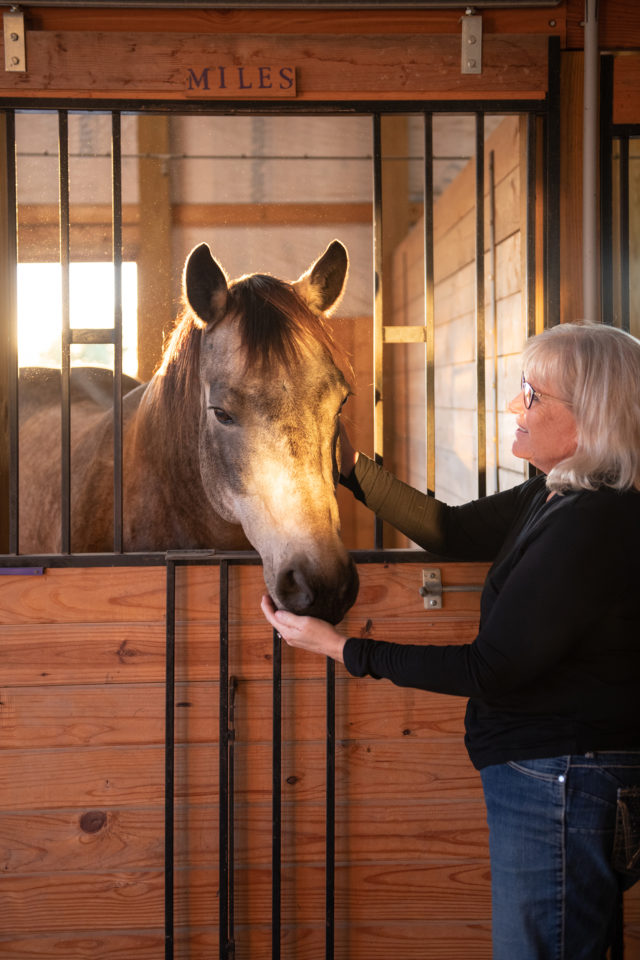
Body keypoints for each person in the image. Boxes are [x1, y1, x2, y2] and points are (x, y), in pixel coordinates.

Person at [261, 321, 640, 960]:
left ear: (589, 420)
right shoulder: (559, 493)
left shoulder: (593, 522)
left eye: (533, 395)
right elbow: (452, 530)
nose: (514, 406)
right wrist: (355, 473)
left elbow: (491, 669)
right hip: (561, 773)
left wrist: (342, 649)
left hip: (563, 776)